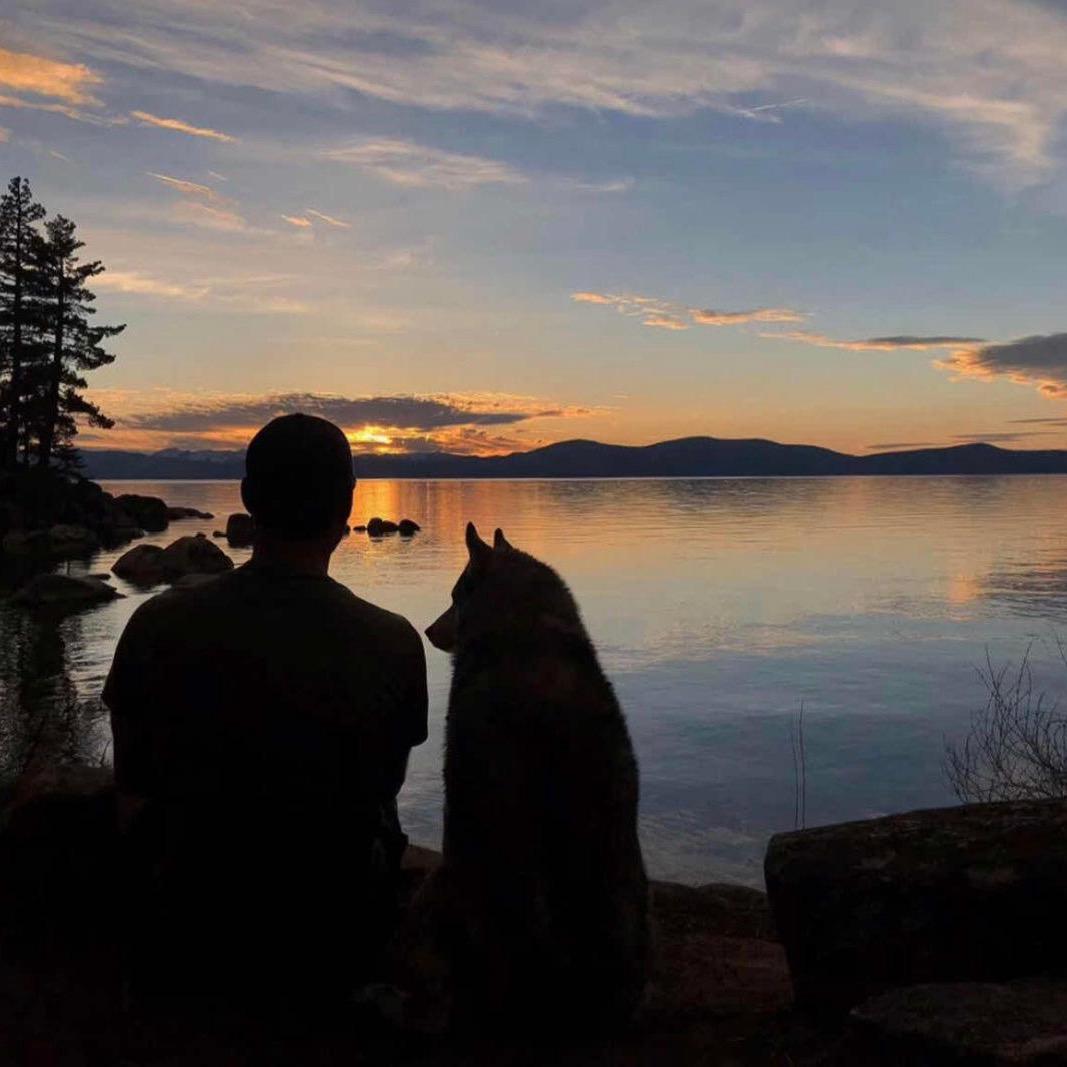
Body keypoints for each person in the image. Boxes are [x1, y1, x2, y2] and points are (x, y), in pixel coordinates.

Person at [103, 413, 428, 1005]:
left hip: (189, 929)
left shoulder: (156, 624)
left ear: (249, 500)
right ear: (346, 509)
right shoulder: (394, 642)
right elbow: (382, 787)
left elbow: (132, 789)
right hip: (335, 939)